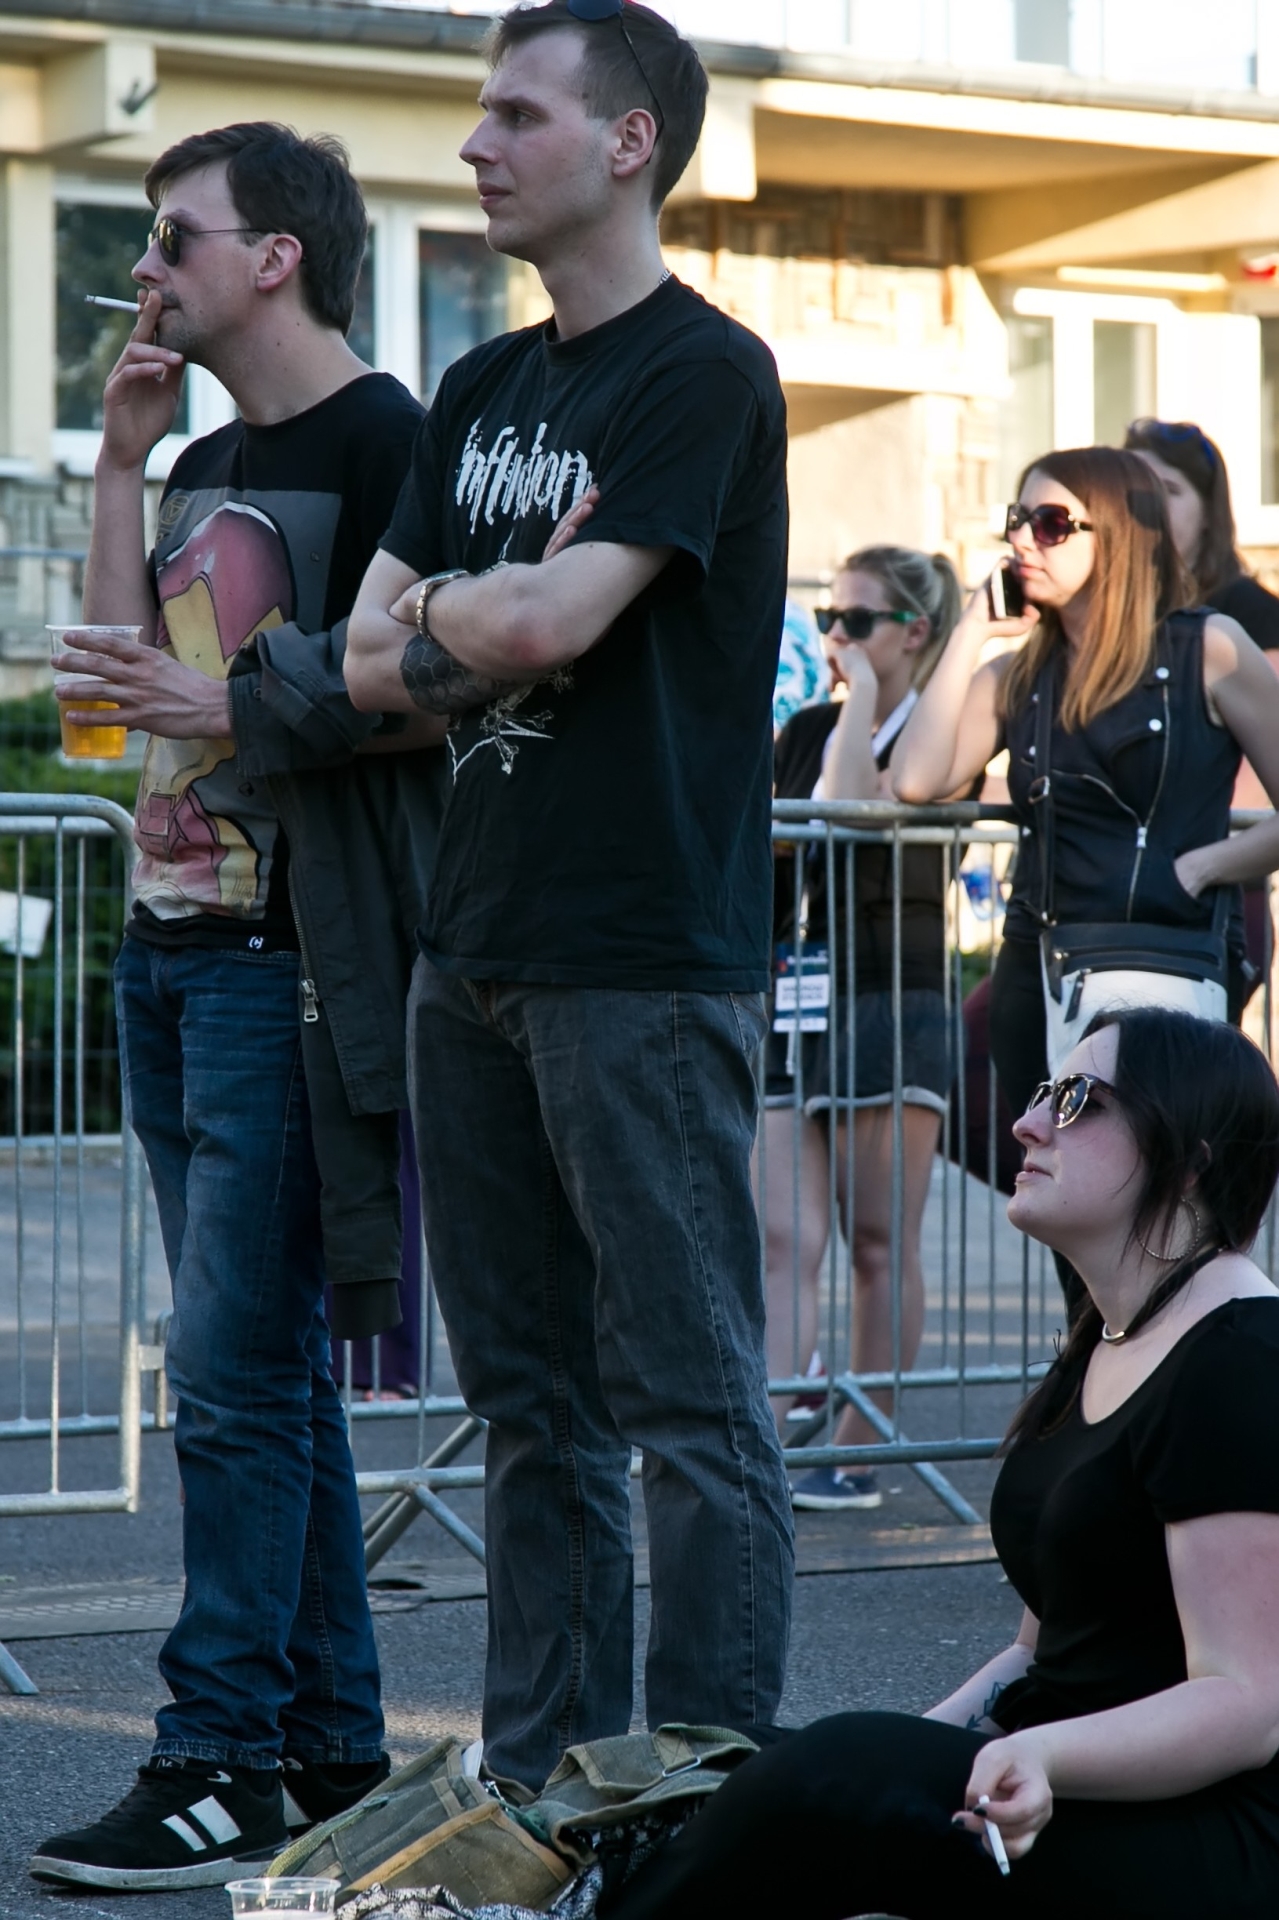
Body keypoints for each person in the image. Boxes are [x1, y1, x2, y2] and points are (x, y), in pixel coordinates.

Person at [343, 0, 794, 1792]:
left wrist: (459, 615)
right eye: (479, 113)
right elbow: (368, 658)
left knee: (686, 1401)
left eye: (515, 114)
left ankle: (700, 1802)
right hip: (471, 948)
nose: (475, 146)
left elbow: (535, 622)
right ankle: (541, 1800)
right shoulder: (476, 389)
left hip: (638, 955)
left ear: (626, 143)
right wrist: (483, 615)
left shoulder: (702, 372)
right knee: (528, 1410)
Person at [30, 124, 441, 1891]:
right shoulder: (200, 456)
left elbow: (426, 687)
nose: (145, 268)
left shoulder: (391, 442)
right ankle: (332, 1750)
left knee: (228, 1375)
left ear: (275, 254)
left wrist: (232, 710)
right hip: (169, 942)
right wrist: (122, 467)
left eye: (171, 235)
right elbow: (102, 707)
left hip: (289, 959)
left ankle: (214, 1757)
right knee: (264, 1377)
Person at [599, 1008, 1279, 1920]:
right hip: (1055, 1784)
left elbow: (1245, 1704)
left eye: (1076, 1101)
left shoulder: (1240, 1358)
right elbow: (1036, 1653)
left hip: (1207, 1834)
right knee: (730, 1765)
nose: (1025, 1124)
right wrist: (899, 1748)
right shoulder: (1111, 1334)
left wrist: (1032, 1754)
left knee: (830, 1773)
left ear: (1189, 1161)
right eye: (1041, 1093)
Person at [894, 445, 1279, 1200]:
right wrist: (970, 630)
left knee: (1157, 1203)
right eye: (1016, 519)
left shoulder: (1206, 647)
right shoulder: (1020, 671)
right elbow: (914, 780)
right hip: (1037, 967)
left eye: (1050, 523)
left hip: (1163, 963)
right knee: (1062, 1201)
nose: (1021, 540)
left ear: (1118, 535)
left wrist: (1204, 867)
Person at [761, 546, 962, 1512]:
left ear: (913, 632)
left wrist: (864, 698)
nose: (835, 636)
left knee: (876, 1241)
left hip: (891, 995)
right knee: (781, 1237)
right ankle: (761, 1437)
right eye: (826, 619)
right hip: (795, 996)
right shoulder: (806, 726)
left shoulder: (941, 726)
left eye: (855, 620)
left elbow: (845, 811)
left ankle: (857, 1445)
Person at [1124, 417, 1279, 647]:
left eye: (1169, 490)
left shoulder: (1253, 612)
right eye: (1135, 489)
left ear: (1208, 511)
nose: (1150, 504)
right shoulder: (1103, 605)